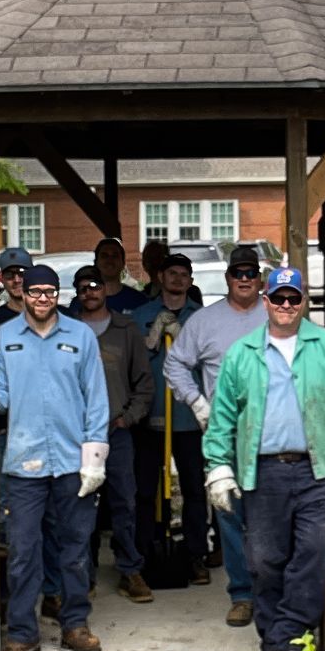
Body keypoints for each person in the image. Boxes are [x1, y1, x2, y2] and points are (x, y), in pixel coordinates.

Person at [201, 266, 325, 651]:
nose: (285, 306)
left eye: (293, 299)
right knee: (264, 562)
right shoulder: (243, 353)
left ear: (303, 303)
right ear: (266, 302)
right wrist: (217, 467)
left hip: (318, 471)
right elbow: (222, 416)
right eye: (278, 298)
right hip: (263, 474)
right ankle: (283, 649)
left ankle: (288, 643)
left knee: (312, 554)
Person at [0, 264, 110, 651]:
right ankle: (22, 635)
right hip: (24, 462)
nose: (43, 298)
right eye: (35, 292)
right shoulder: (7, 336)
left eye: (50, 292)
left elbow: (96, 399)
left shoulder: (80, 336)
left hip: (72, 462)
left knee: (75, 548)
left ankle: (75, 624)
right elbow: (3, 400)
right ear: (22, 294)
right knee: (23, 552)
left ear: (58, 294)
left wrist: (94, 459)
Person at [165, 243, 267, 622]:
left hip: (272, 432)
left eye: (251, 273)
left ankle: (271, 592)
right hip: (223, 433)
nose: (244, 279)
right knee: (229, 512)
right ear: (227, 278)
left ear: (260, 279)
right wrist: (195, 401)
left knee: (270, 513)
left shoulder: (279, 314)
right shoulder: (204, 321)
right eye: (238, 273)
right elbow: (175, 364)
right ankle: (242, 594)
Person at [70, 264, 155, 603]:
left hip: (115, 433)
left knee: (124, 502)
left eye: (95, 285)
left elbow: (144, 384)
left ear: (106, 288)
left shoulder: (126, 329)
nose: (89, 291)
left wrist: (128, 418)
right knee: (81, 506)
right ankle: (82, 575)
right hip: (77, 436)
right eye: (82, 287)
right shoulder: (67, 330)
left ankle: (130, 570)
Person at [130, 252, 205, 587]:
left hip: (189, 419)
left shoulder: (202, 319)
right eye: (172, 273)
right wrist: (152, 341)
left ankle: (195, 555)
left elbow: (209, 364)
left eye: (183, 274)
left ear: (190, 280)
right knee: (144, 492)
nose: (177, 279)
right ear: (160, 277)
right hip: (151, 417)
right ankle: (144, 554)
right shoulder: (142, 315)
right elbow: (133, 364)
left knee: (194, 490)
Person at [96, 236, 148, 312]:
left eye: (115, 256)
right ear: (96, 262)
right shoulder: (83, 303)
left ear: (123, 263)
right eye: (104, 256)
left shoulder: (140, 301)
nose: (110, 260)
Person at [0, 247, 32, 325]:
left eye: (22, 273)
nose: (17, 280)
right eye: (9, 275)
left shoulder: (50, 314)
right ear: (2, 279)